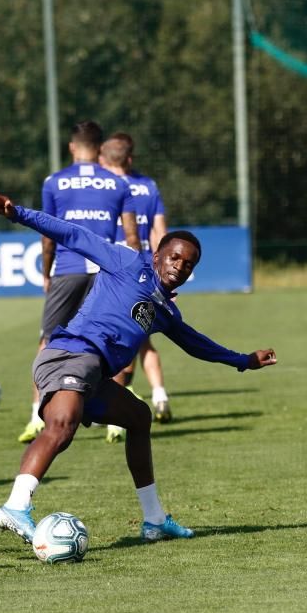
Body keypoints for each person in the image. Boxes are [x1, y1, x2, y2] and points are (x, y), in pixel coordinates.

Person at [0, 194, 276, 545]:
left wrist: (243, 360)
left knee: (139, 417)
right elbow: (72, 234)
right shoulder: (125, 261)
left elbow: (195, 343)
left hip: (93, 374)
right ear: (157, 255)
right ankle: (16, 506)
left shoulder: (167, 312)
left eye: (188, 264)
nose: (179, 267)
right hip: (70, 355)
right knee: (62, 426)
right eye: (174, 257)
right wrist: (18, 213)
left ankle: (154, 520)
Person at [19, 121, 139, 445]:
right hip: (107, 272)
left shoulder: (54, 182)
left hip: (68, 270)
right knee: (110, 340)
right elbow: (131, 238)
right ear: (100, 149)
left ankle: (36, 416)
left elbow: (48, 233)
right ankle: (116, 421)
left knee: (48, 340)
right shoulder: (118, 184)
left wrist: (46, 271)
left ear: (72, 147)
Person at [99, 132, 175, 423]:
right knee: (145, 339)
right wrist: (167, 278)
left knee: (112, 340)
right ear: (130, 158)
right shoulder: (148, 186)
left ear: (105, 159)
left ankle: (116, 403)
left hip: (111, 272)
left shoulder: (104, 186)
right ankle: (159, 394)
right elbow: (161, 234)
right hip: (144, 271)